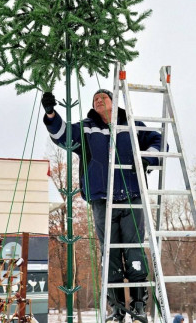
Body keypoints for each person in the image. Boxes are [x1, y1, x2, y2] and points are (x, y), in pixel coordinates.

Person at [42, 89, 161, 323]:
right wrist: (50, 114)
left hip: (132, 195)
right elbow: (63, 136)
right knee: (111, 252)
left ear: (114, 102)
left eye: (103, 97)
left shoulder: (132, 124)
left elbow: (157, 139)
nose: (98, 100)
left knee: (133, 248)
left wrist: (148, 158)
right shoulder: (87, 128)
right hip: (101, 199)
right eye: (95, 99)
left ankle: (138, 305)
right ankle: (116, 307)